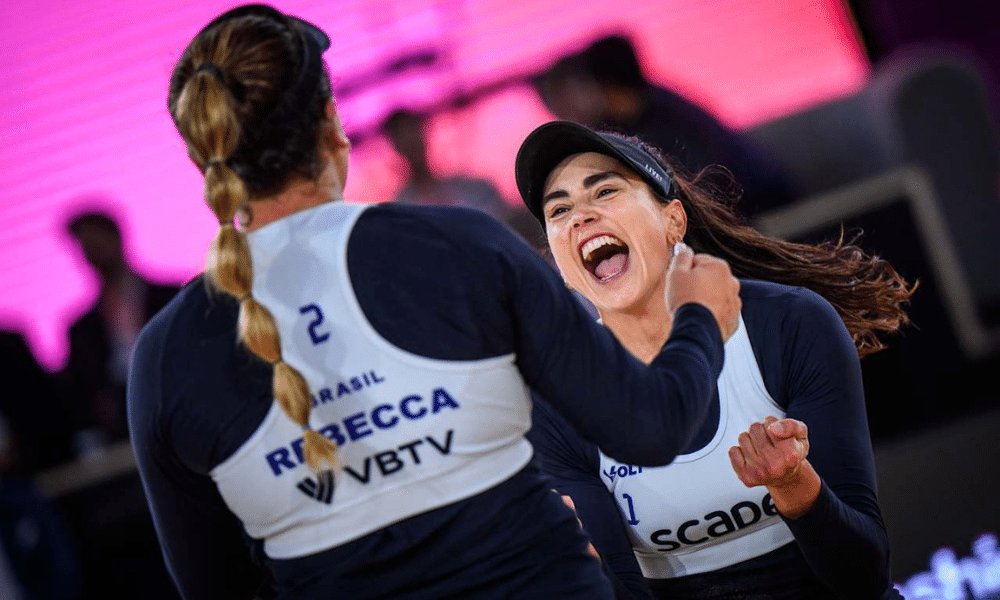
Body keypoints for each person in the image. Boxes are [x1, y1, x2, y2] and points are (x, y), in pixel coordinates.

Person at [127, 5, 742, 600]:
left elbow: (215, 587)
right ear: (329, 124)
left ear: (203, 154)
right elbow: (649, 427)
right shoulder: (459, 245)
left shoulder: (162, 357)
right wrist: (698, 318)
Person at [514, 120, 916, 599]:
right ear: (560, 265)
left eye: (604, 192)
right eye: (559, 210)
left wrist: (793, 486)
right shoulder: (558, 400)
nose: (580, 216)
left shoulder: (786, 323)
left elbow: (864, 575)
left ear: (674, 222)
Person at [533, 34, 797, 218]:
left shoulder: (666, 124)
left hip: (764, 210)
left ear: (603, 87)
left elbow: (701, 189)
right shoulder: (642, 114)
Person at [61, 210, 180, 453]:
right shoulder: (82, 330)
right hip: (122, 429)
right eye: (87, 246)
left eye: (98, 241)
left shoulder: (172, 299)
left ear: (116, 236)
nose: (95, 252)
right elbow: (81, 395)